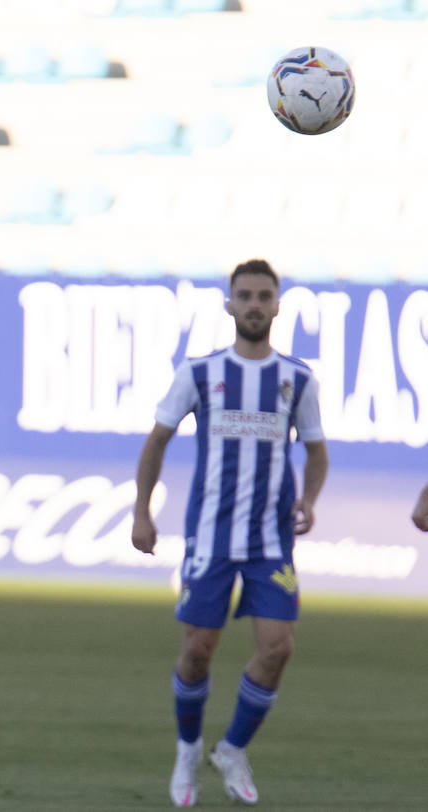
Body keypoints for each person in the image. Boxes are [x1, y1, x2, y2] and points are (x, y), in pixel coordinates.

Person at [132, 259, 329, 807]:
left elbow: (316, 451)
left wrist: (309, 500)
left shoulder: (297, 379)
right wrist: (142, 512)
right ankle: (188, 747)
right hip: (211, 539)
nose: (254, 305)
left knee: (278, 648)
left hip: (271, 543)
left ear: (277, 306)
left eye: (264, 296)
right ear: (229, 305)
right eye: (245, 295)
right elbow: (156, 442)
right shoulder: (199, 374)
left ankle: (233, 747)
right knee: (197, 650)